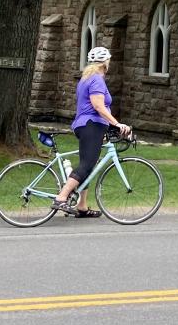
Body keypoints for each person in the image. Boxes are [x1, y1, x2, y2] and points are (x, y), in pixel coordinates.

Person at [54, 46, 130, 217]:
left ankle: (82, 206)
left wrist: (108, 127)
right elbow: (98, 106)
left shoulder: (86, 78)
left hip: (88, 125)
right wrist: (117, 124)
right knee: (87, 164)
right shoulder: (96, 79)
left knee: (89, 165)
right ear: (106, 63)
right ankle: (61, 197)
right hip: (91, 125)